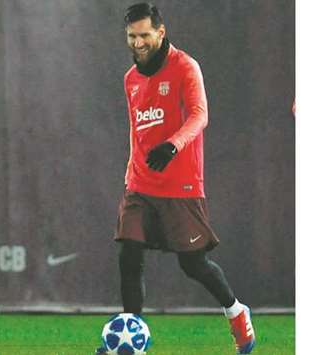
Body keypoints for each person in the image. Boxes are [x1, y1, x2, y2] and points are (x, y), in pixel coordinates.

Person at [105, 3, 255, 354]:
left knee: (193, 263)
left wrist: (173, 145)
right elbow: (136, 132)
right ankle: (133, 339)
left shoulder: (186, 66)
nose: (138, 42)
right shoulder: (130, 79)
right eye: (131, 36)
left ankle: (236, 312)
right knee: (129, 254)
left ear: (160, 31)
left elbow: (200, 115)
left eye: (144, 35)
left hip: (181, 184)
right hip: (140, 183)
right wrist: (132, 171)